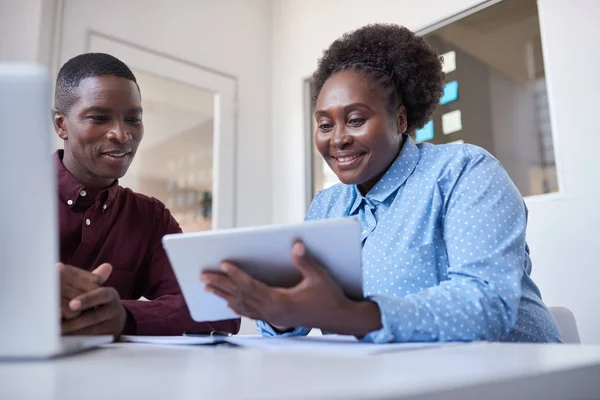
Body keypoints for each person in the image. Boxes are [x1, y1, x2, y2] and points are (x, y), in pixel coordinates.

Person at [201, 24, 562, 343]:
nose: (337, 139)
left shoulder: (464, 172)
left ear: (400, 119)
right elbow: (297, 321)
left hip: (515, 376)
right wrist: (280, 311)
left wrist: (346, 314)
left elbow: (485, 304)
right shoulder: (328, 206)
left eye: (355, 119)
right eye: (325, 125)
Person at [54, 53, 240, 337]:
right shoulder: (11, 196)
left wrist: (124, 315)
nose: (121, 134)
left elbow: (219, 309)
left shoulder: (149, 218)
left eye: (133, 119)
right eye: (99, 118)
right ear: (61, 125)